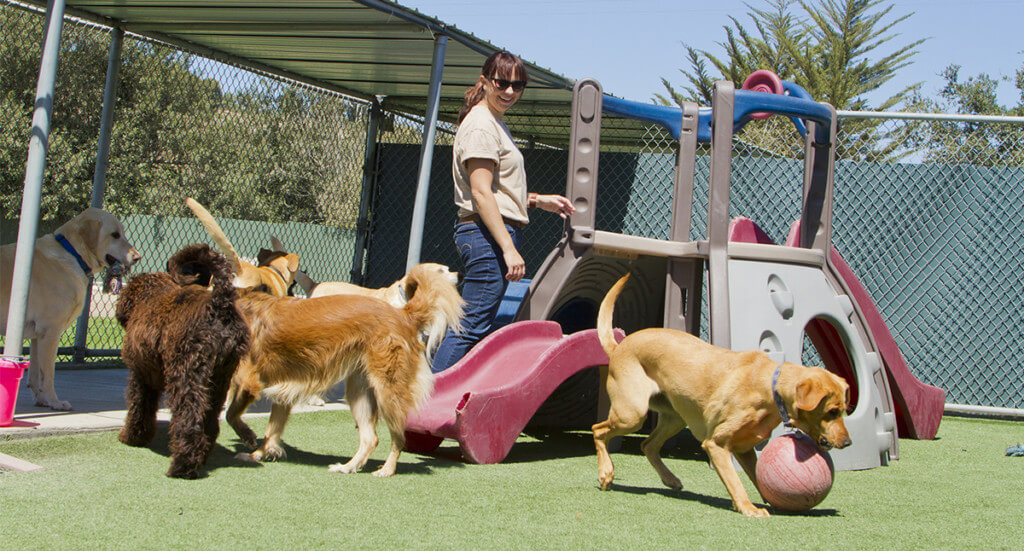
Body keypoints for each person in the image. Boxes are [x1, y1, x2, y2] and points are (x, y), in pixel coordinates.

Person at [430, 51, 574, 373]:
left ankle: (438, 405)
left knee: (472, 326)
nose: (509, 91)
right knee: (470, 328)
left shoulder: (493, 121)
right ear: (484, 81)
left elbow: (495, 190)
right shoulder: (482, 125)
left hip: (489, 233)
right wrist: (508, 249)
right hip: (486, 237)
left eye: (517, 85)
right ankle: (426, 409)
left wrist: (537, 200)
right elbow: (480, 193)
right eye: (501, 82)